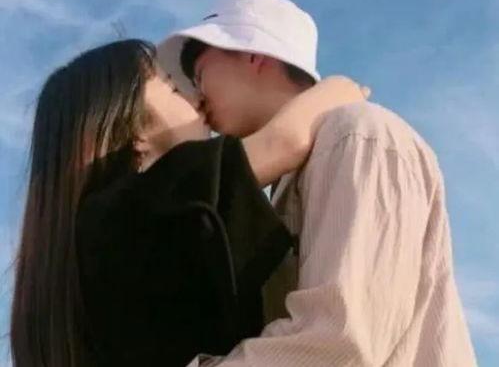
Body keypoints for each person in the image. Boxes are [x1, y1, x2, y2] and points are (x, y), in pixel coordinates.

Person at [157, 0, 477, 366]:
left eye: (199, 75)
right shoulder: (302, 172)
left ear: (253, 54)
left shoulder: (356, 135)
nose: (197, 97)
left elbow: (338, 342)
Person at [9, 39, 368, 367]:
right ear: (134, 130)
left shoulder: (81, 245)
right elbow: (286, 140)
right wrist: (340, 90)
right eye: (171, 85)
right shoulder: (139, 206)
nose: (196, 98)